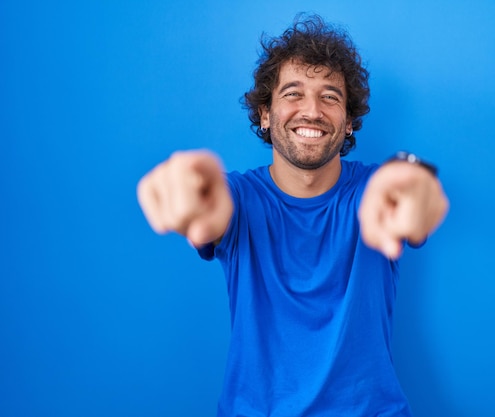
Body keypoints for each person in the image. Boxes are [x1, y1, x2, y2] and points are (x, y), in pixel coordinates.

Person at [137, 14, 448, 417]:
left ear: (350, 122)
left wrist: (419, 186)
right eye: (293, 93)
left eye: (331, 97)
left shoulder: (376, 190)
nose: (312, 110)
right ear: (265, 114)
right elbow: (210, 215)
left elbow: (409, 193)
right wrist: (192, 196)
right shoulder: (236, 198)